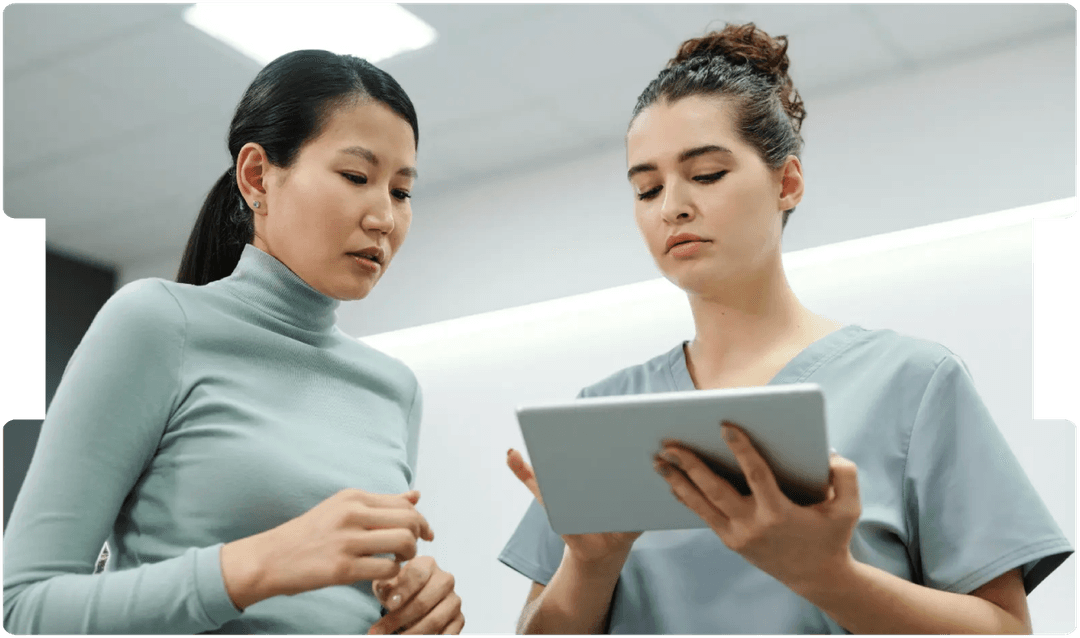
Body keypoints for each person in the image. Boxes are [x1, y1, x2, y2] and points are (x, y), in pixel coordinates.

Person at [500, 23, 1072, 635]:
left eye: (707, 174)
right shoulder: (603, 414)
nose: (671, 206)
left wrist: (829, 577)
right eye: (647, 188)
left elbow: (1006, 629)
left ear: (787, 182)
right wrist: (591, 565)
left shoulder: (912, 384)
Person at [2, 50, 464, 635]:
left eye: (401, 192)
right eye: (355, 177)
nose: (384, 218)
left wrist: (409, 612)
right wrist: (262, 563)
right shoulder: (157, 323)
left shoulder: (396, 389)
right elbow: (21, 610)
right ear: (257, 176)